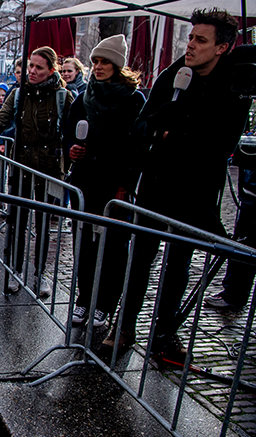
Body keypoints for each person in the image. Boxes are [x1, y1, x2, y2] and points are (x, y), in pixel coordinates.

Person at [102, 8, 252, 361]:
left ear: (222, 48)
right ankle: (124, 326)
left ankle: (164, 332)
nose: (191, 45)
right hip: (156, 184)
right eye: (190, 37)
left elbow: (222, 143)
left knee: (179, 264)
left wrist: (177, 133)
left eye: (201, 40)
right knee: (140, 259)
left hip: (196, 192)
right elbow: (141, 126)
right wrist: (157, 130)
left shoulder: (234, 85)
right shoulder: (173, 75)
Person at [0, 46, 74, 299]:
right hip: (21, 169)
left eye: (39, 67)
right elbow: (1, 120)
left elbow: (71, 132)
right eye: (30, 66)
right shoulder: (18, 94)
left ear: (52, 70)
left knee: (43, 225)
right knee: (16, 221)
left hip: (50, 172)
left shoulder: (63, 97)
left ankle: (41, 274)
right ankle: (15, 270)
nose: (32, 71)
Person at [62, 35, 146, 328]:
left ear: (117, 66)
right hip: (85, 180)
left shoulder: (134, 100)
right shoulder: (86, 96)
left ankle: (106, 304)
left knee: (112, 245)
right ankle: (84, 300)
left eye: (105, 62)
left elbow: (137, 147)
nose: (98, 67)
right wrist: (72, 148)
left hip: (114, 184)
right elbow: (69, 131)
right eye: (95, 61)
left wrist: (126, 184)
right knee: (83, 242)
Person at [205, 146, 256, 310]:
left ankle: (234, 294)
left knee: (246, 245)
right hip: (250, 194)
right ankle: (233, 292)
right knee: (243, 241)